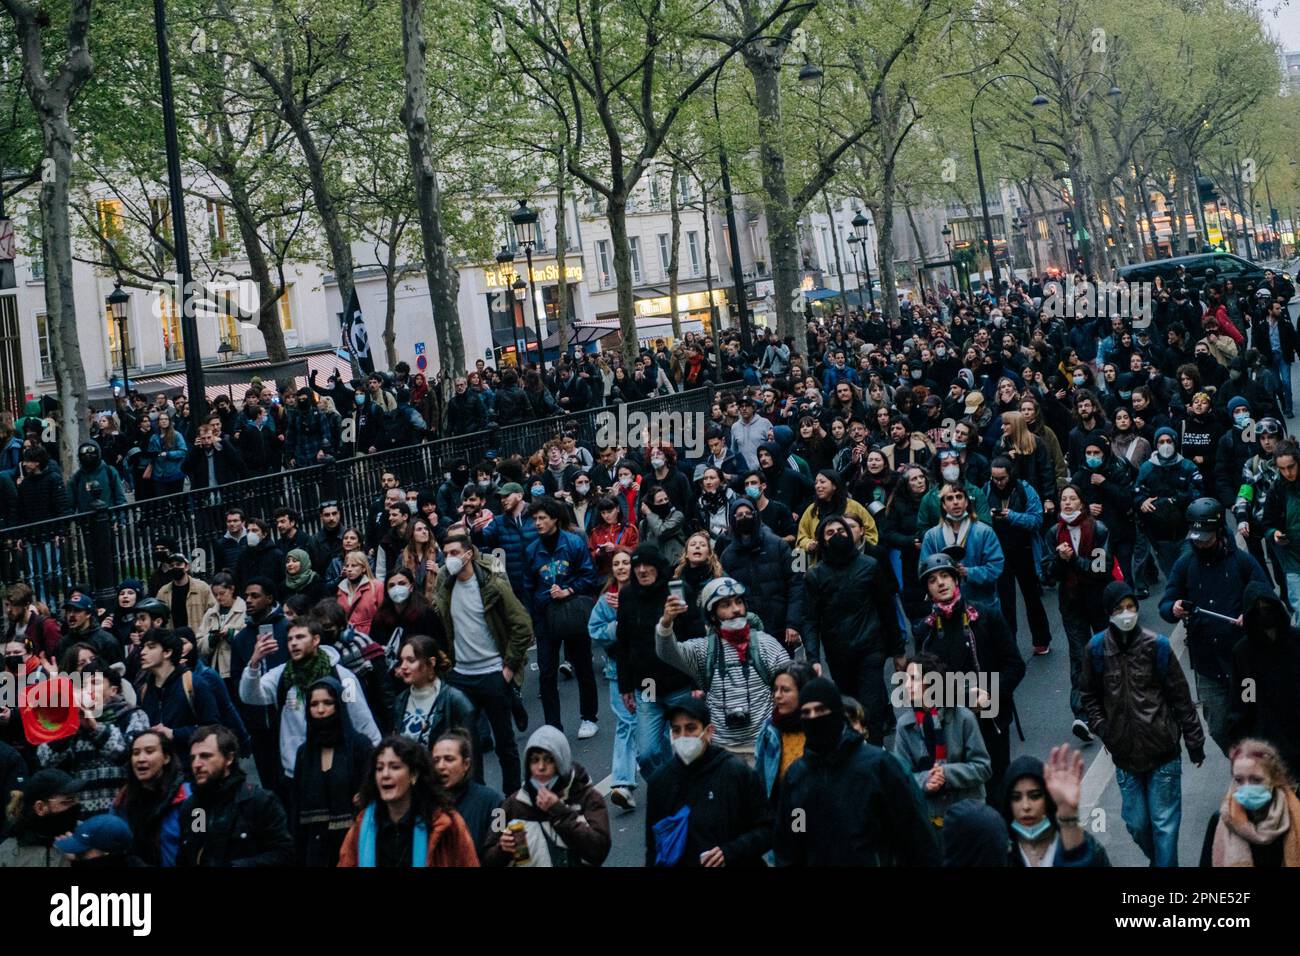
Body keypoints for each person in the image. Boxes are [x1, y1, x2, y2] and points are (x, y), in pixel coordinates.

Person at [1081, 581, 1206, 867]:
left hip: (1163, 750)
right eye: (1120, 609)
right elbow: (1088, 695)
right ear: (1109, 613)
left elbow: (1181, 698)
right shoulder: (1097, 649)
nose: (1127, 614)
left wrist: (1194, 741)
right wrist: (1104, 728)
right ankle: (1161, 861)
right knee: (1137, 824)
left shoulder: (1157, 646)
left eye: (1131, 607)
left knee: (1164, 826)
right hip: (1125, 754)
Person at [772, 677, 940, 866]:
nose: (814, 718)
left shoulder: (879, 767)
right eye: (806, 712)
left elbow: (915, 834)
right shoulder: (797, 778)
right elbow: (793, 839)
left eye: (820, 710)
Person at [1160, 497, 1268, 756]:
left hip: (1245, 664)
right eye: (1196, 536)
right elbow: (1165, 605)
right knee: (1218, 726)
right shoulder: (1185, 564)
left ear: (1219, 531)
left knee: (1252, 718)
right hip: (1208, 664)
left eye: (1205, 537)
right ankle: (1242, 765)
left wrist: (1251, 614)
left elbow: (1266, 597)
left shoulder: (1242, 562)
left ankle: (1259, 769)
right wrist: (1174, 608)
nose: (1199, 542)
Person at [914, 554, 1024, 805]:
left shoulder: (986, 617)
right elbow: (923, 684)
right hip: (951, 723)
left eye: (945, 576)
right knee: (962, 795)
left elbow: (1015, 666)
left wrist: (990, 694)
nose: (940, 583)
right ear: (928, 590)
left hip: (990, 717)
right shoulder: (925, 631)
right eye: (932, 580)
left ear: (956, 580)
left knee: (998, 791)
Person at [433, 533, 532, 795]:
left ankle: (512, 796)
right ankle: (476, 797)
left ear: (469, 554)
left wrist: (508, 670)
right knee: (467, 743)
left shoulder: (492, 584)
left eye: (454, 553)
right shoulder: (444, 583)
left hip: (493, 674)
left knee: (504, 743)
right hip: (461, 677)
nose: (448, 558)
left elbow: (522, 626)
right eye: (445, 553)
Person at [655, 576, 790, 762]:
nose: (736, 609)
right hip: (721, 752)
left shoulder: (766, 644)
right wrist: (666, 622)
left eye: (739, 602)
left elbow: (792, 686)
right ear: (712, 614)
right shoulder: (703, 650)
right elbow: (667, 652)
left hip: (764, 748)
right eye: (726, 605)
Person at [240, 616, 381, 784]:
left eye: (300, 637)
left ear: (316, 640)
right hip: (295, 771)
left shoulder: (343, 678)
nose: (293, 643)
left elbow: (362, 721)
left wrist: (374, 769)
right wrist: (254, 663)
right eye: (290, 639)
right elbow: (249, 696)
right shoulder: (282, 675)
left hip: (338, 771)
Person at [802, 515, 901, 742]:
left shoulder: (870, 566)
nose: (837, 535)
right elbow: (810, 619)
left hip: (870, 648)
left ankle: (875, 753)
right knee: (848, 707)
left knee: (871, 707)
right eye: (830, 533)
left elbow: (887, 609)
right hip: (838, 652)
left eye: (841, 530)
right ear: (822, 540)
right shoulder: (815, 576)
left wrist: (898, 650)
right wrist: (813, 657)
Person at [643, 696, 773, 867]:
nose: (683, 737)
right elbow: (654, 847)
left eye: (691, 728)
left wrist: (729, 852)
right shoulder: (660, 782)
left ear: (709, 731)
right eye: (676, 730)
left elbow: (766, 830)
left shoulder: (736, 774)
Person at [1042, 483, 1114, 736]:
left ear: (1082, 503)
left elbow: (1100, 569)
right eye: (1064, 499)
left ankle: (1113, 703)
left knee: (1106, 651)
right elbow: (1048, 575)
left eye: (1073, 498)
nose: (1068, 503)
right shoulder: (1053, 533)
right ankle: (1082, 714)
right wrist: (1060, 562)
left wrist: (1072, 559)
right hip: (1072, 603)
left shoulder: (1099, 529)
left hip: (1098, 601)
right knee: (1079, 655)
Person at [482, 726, 611, 867]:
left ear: (561, 761)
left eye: (549, 760)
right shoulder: (507, 806)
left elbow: (599, 850)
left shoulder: (589, 798)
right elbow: (487, 856)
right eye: (535, 760)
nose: (541, 767)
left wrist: (560, 812)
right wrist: (502, 849)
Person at [526, 496, 599, 737]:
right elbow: (528, 586)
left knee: (583, 667)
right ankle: (553, 725)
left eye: (542, 518)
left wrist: (569, 590)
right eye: (535, 519)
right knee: (547, 674)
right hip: (546, 618)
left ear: (555, 519)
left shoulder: (573, 543)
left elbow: (589, 576)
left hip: (573, 612)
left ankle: (589, 717)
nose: (537, 523)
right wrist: (537, 611)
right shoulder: (531, 550)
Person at [893, 654, 992, 826]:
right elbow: (900, 777)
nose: (907, 685)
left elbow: (983, 768)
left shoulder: (962, 717)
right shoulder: (905, 726)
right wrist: (926, 781)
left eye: (914, 679)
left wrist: (946, 774)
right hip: (929, 817)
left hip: (968, 814)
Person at [176, 725, 294, 867]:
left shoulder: (258, 802)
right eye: (193, 758)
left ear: (229, 758)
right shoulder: (195, 808)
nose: (196, 764)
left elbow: (283, 854)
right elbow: (190, 854)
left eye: (205, 756)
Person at [291, 676, 375, 867]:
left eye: (327, 703)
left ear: (339, 706)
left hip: (354, 843)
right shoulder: (304, 754)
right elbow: (296, 804)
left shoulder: (360, 747)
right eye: (314, 704)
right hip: (315, 847)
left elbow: (369, 793)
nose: (320, 710)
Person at [1228, 583, 1300, 774]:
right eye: (1258, 609)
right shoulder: (1244, 654)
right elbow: (1247, 698)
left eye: (1267, 608)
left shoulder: (1296, 642)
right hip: (1271, 738)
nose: (1264, 613)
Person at [588, 547, 639, 810]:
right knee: (626, 723)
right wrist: (617, 626)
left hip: (647, 672)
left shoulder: (645, 592)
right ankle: (622, 784)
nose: (621, 567)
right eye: (616, 563)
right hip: (618, 671)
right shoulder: (606, 599)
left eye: (626, 562)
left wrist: (630, 609)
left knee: (654, 723)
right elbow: (594, 630)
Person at [984, 458, 1051, 653]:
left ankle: (1041, 640)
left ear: (1010, 474)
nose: (998, 483)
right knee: (1005, 601)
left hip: (1024, 550)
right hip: (999, 552)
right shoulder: (986, 490)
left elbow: (1037, 519)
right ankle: (1008, 644)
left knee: (1032, 597)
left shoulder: (1025, 490)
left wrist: (1011, 516)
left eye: (1002, 478)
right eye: (994, 478)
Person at [1201, 738, 1300, 867]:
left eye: (1256, 780)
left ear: (1274, 780)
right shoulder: (1221, 820)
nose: (1247, 787)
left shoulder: (1294, 818)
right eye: (1239, 780)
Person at [1002, 748, 1110, 867]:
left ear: (1047, 798)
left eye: (1035, 796)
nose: (1026, 806)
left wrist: (1068, 815)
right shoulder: (998, 850)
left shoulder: (1082, 845)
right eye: (1016, 798)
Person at [719, 499, 803, 650]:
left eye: (748, 514)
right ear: (733, 520)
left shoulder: (778, 545)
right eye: (739, 515)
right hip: (747, 629)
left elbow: (796, 584)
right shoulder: (727, 556)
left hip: (781, 626)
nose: (744, 518)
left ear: (755, 516)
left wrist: (793, 623)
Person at [918, 483, 1006, 609]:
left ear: (966, 502)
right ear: (943, 505)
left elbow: (995, 567)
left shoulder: (984, 532)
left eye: (959, 497)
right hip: (945, 608)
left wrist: (968, 572)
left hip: (983, 604)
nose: (955, 502)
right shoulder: (932, 536)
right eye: (950, 498)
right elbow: (923, 570)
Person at [135, 630, 222, 754]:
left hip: (189, 765)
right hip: (159, 767)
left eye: (151, 647)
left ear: (167, 652)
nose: (142, 652)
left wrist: (174, 734)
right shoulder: (144, 689)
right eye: (142, 647)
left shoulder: (194, 683)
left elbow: (213, 728)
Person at [112, 730, 190, 867]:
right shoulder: (122, 801)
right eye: (135, 753)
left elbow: (202, 840)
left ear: (166, 757)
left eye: (149, 751)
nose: (141, 759)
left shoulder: (191, 797)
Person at [1133, 427, 1203, 579]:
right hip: (1160, 535)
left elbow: (1197, 494)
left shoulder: (1188, 466)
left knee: (1190, 572)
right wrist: (1142, 502)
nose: (1165, 445)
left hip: (1186, 531)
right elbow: (1137, 492)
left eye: (1169, 441)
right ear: (1156, 445)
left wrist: (1175, 500)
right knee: (1172, 576)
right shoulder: (1147, 468)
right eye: (1161, 442)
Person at [392, 634, 474, 748]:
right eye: (402, 661)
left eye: (411, 660)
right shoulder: (400, 701)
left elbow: (471, 754)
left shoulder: (456, 700)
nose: (403, 666)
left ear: (431, 663)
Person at [432, 730, 502, 861]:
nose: (440, 766)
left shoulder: (494, 802)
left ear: (466, 764)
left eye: (449, 759)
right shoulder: (425, 804)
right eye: (436, 760)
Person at [753, 660, 813, 804]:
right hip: (781, 808)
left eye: (785, 690)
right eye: (775, 689)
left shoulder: (819, 727)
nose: (777, 696)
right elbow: (760, 777)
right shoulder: (770, 729)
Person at [0, 769, 82, 867]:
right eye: (67, 801)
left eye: (76, 799)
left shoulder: (86, 836)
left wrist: (82, 860)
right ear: (40, 808)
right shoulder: (8, 852)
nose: (75, 805)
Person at [155, 552, 214, 633]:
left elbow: (213, 613)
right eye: (172, 565)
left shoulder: (202, 588)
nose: (175, 567)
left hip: (198, 638)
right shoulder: (163, 592)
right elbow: (158, 618)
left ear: (186, 567)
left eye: (178, 564)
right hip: (174, 641)